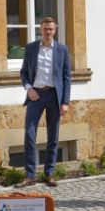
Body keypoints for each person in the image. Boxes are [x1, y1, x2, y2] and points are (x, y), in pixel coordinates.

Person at [15, 17, 71, 188]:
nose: (48, 32)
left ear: (55, 30)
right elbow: (24, 72)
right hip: (36, 95)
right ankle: (30, 174)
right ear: (41, 29)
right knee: (29, 133)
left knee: (53, 136)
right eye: (45, 29)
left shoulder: (62, 49)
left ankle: (49, 173)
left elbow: (66, 77)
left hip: (54, 95)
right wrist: (29, 88)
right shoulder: (31, 48)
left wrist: (65, 101)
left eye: (51, 29)